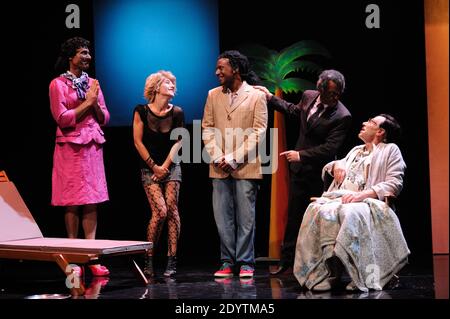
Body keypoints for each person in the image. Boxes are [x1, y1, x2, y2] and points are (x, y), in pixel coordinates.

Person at [293, 114, 410, 292]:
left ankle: (362, 273)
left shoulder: (390, 150)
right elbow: (338, 166)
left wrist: (362, 195)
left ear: (380, 132)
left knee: (350, 212)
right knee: (316, 209)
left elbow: (394, 184)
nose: (364, 123)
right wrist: (336, 165)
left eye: (371, 122)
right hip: (342, 198)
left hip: (370, 202)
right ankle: (325, 272)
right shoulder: (356, 150)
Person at [254, 70, 352, 275]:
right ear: (320, 88)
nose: (335, 98)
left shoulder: (342, 115)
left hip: (319, 174)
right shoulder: (308, 96)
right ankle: (287, 260)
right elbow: (294, 111)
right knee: (294, 216)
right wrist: (270, 98)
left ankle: (315, 263)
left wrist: (301, 155)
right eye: (331, 93)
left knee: (317, 220)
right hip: (300, 172)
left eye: (338, 94)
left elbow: (330, 148)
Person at [202, 50, 268, 278]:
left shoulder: (256, 96)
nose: (216, 72)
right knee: (222, 218)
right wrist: (218, 155)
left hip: (246, 165)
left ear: (235, 70)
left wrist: (235, 157)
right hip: (219, 166)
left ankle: (246, 262)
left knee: (246, 218)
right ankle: (227, 261)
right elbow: (207, 128)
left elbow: (259, 132)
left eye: (221, 68)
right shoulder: (212, 95)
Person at [50, 37, 110, 276]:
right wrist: (88, 103)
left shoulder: (94, 83)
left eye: (89, 53)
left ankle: (92, 256)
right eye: (83, 53)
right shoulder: (58, 84)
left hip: (92, 144)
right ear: (71, 57)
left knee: (91, 199)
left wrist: (94, 104)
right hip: (70, 146)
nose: (88, 57)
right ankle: (73, 255)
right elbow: (62, 118)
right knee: (73, 200)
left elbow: (105, 117)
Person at [133, 70, 184, 278]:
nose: (172, 86)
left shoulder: (178, 112)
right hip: (149, 167)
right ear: (156, 88)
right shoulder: (141, 110)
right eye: (167, 83)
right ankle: (149, 257)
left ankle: (172, 260)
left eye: (173, 83)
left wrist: (164, 166)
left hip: (171, 165)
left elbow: (180, 141)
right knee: (160, 211)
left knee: (171, 209)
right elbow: (137, 141)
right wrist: (155, 166)